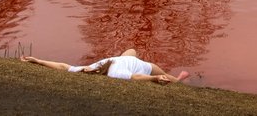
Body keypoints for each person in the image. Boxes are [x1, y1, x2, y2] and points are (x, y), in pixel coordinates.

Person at [21, 49, 189, 84]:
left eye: (85, 69)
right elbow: (136, 77)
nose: (84, 68)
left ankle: (177, 79)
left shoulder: (96, 66)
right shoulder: (115, 73)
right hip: (143, 66)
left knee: (131, 50)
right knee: (170, 79)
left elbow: (63, 67)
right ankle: (180, 80)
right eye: (86, 70)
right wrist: (154, 77)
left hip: (126, 58)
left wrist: (38, 60)